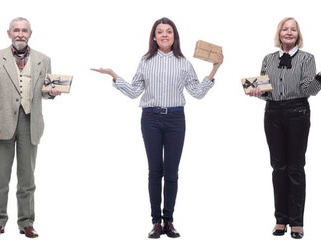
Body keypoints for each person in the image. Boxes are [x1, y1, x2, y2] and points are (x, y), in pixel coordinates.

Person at [91, 17, 223, 239]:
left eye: (168, 32)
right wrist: (114, 75)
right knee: (155, 171)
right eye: (160, 32)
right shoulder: (146, 61)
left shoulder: (184, 63)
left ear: (174, 36)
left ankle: (168, 221)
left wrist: (214, 69)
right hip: (150, 119)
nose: (164, 35)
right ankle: (155, 223)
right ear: (154, 37)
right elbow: (134, 91)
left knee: (171, 173)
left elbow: (198, 93)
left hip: (175, 119)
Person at [0, 17, 61, 238]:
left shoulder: (44, 59)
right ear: (9, 33)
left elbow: (45, 91)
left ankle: (26, 222)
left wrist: (51, 93)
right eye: (16, 30)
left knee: (27, 179)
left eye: (24, 30)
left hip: (30, 123)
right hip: (4, 123)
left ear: (30, 34)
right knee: (0, 177)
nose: (20, 34)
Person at [246, 17, 321, 239]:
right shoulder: (268, 59)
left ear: (298, 35)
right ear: (279, 33)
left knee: (296, 167)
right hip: (272, 113)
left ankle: (297, 222)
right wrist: (257, 93)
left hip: (298, 112)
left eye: (293, 30)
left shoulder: (307, 58)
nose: (289, 33)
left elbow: (309, 90)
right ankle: (281, 219)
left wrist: (320, 76)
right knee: (278, 167)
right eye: (285, 29)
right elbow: (266, 91)